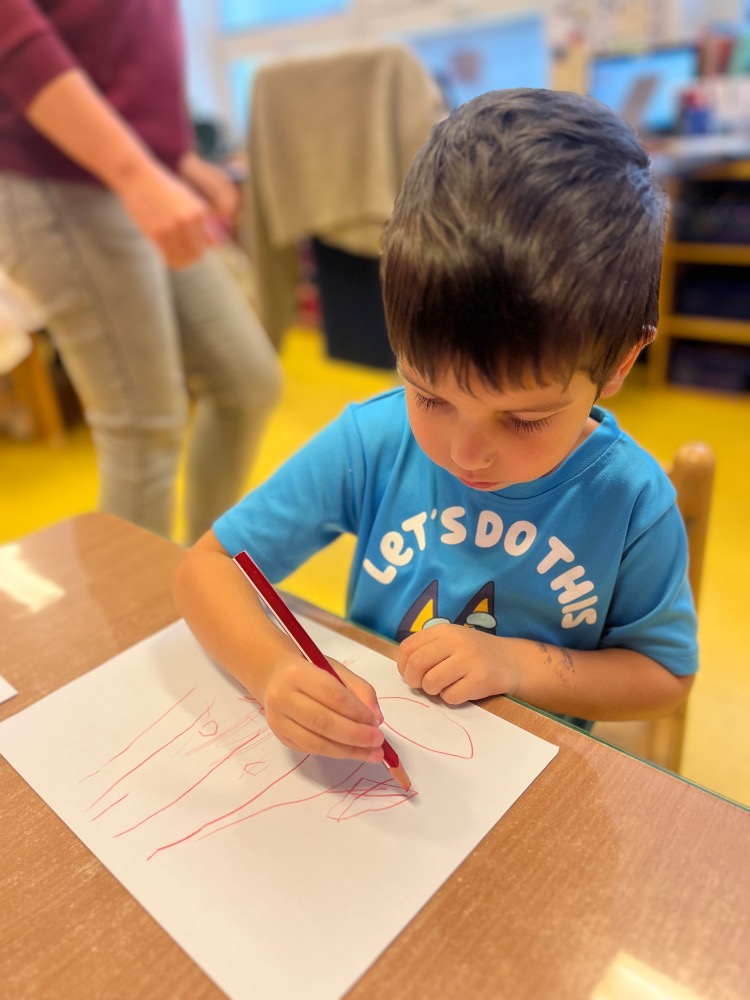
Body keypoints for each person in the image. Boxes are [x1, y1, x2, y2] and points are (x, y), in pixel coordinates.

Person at [173, 88, 698, 767]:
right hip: (383, 769)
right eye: (428, 396)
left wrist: (516, 664)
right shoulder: (374, 441)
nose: (466, 453)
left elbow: (663, 678)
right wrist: (272, 670)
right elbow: (209, 567)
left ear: (621, 362)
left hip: (533, 778)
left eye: (525, 419)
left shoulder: (631, 500)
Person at [0, 1, 282, 542]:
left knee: (247, 381)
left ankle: (201, 566)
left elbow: (122, 45)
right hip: (58, 176)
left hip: (131, 168)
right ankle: (137, 600)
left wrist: (175, 160)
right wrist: (136, 174)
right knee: (143, 428)